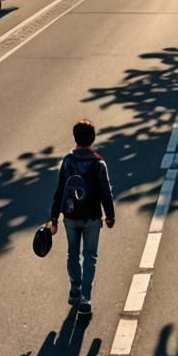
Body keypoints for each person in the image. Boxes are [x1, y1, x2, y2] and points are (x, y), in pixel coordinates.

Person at [47, 119, 115, 317]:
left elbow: (59, 191)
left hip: (70, 215)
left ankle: (75, 289)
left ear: (75, 137)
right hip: (93, 216)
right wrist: (110, 216)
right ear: (93, 139)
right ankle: (86, 298)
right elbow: (106, 193)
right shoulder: (98, 163)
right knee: (90, 256)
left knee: (72, 254)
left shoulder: (68, 161)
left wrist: (54, 218)